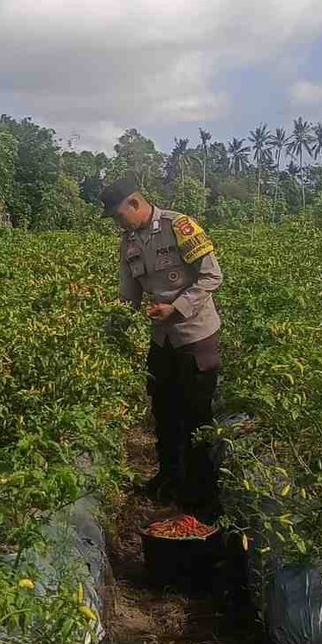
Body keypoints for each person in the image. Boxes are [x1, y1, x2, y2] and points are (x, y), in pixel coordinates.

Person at [100, 175, 223, 515]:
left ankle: (200, 494)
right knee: (165, 413)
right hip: (162, 339)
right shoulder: (128, 242)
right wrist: (110, 329)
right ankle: (168, 480)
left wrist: (178, 308)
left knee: (197, 418)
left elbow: (212, 276)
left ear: (135, 204)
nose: (117, 222)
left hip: (195, 337)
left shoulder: (179, 225)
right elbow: (129, 295)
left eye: (118, 215)